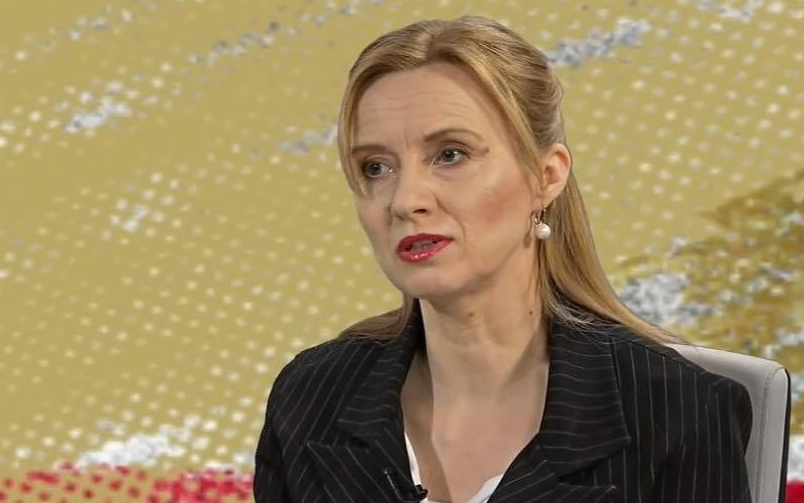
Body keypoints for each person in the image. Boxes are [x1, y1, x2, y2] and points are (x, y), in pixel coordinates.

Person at [253, 15, 753, 503]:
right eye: (376, 167)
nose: (405, 200)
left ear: (546, 176)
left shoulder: (676, 412)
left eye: (450, 154)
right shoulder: (311, 395)